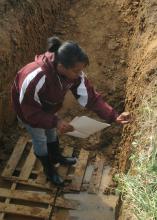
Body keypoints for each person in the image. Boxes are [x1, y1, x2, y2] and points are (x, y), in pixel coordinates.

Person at [11, 36, 130, 187]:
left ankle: (57, 156)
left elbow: (91, 97)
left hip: (47, 107)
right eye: (76, 70)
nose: (79, 74)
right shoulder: (36, 77)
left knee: (51, 132)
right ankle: (49, 169)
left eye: (81, 70)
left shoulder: (73, 74)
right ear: (61, 66)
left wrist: (114, 116)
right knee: (40, 139)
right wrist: (56, 121)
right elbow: (31, 112)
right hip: (27, 111)